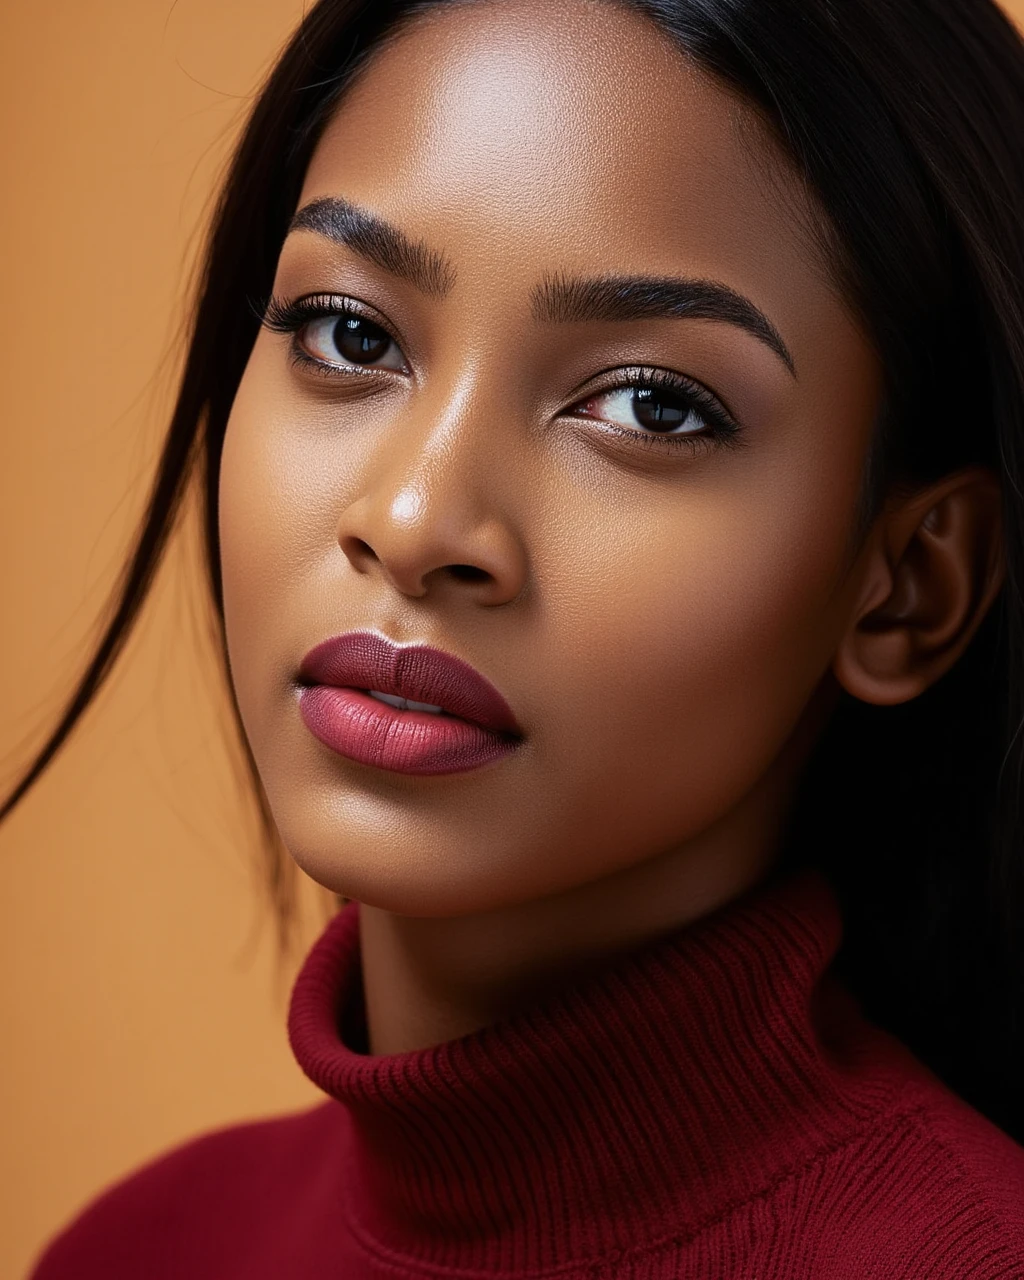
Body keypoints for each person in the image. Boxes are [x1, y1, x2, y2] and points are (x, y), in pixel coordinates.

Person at [6, 0, 1024, 1274]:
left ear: (906, 588)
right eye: (350, 334)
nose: (419, 517)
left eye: (653, 405)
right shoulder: (140, 1249)